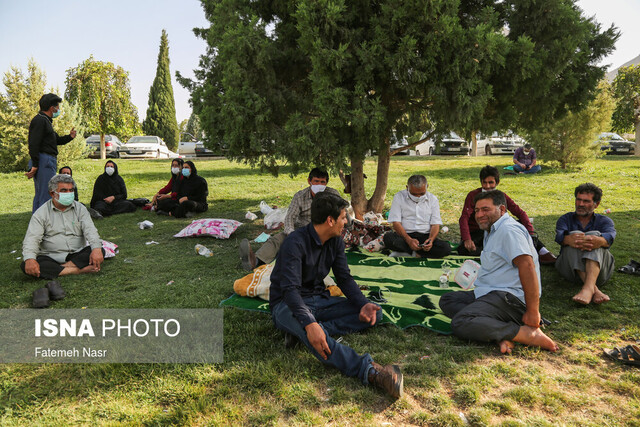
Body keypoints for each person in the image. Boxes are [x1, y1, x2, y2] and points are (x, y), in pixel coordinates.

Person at [269, 192, 403, 398]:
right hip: (287, 305)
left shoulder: (336, 241)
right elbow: (290, 291)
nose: (346, 222)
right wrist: (309, 324)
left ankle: (309, 332)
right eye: (342, 217)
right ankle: (371, 372)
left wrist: (363, 303)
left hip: (319, 300)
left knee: (375, 315)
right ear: (330, 220)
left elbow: (344, 278)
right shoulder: (294, 243)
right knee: (312, 333)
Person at [439, 190, 558, 354]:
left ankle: (525, 333)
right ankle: (501, 334)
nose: (479, 215)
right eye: (477, 210)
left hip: (509, 299)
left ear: (502, 209)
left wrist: (533, 312)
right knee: (448, 300)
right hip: (491, 293)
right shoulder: (492, 229)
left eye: (485, 209)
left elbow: (527, 267)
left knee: (461, 321)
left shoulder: (509, 231)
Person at [239, 167, 340, 271]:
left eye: (322, 182)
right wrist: (291, 234)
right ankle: (255, 261)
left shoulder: (333, 195)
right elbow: (290, 217)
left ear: (326, 183)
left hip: (325, 232)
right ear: (309, 181)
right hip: (303, 230)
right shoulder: (300, 197)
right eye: (316, 181)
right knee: (278, 239)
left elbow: (341, 214)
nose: (319, 185)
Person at [458, 165, 556, 264]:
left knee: (520, 226)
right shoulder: (473, 195)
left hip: (498, 230)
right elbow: (464, 218)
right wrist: (467, 239)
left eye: (491, 182)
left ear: (497, 182)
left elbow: (520, 212)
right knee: (465, 250)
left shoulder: (501, 196)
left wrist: (530, 232)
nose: (487, 186)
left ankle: (542, 251)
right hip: (479, 232)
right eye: (484, 182)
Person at [21, 174, 104, 280]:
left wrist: (96, 249)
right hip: (51, 256)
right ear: (52, 193)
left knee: (100, 249)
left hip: (76, 253)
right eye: (64, 190)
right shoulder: (41, 213)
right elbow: (32, 238)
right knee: (26, 264)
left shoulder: (80, 209)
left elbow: (90, 230)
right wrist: (30, 259)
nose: (69, 193)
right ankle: (79, 270)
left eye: (71, 190)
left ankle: (58, 270)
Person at [555, 183, 616, 305]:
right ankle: (594, 290)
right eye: (578, 200)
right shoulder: (565, 219)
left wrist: (599, 241)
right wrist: (568, 239)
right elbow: (559, 237)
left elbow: (609, 238)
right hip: (571, 271)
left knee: (594, 237)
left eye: (586, 201)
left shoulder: (605, 221)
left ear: (596, 204)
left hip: (600, 273)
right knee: (576, 235)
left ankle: (588, 288)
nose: (581, 204)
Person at [25, 93, 77, 213]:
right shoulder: (40, 120)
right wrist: (35, 164)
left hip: (46, 160)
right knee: (46, 195)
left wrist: (70, 137)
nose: (58, 109)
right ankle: (44, 226)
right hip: (44, 160)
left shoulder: (46, 121)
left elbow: (56, 140)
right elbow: (33, 143)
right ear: (51, 107)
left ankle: (38, 225)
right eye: (57, 106)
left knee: (41, 194)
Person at [382, 175, 451, 258]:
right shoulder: (399, 197)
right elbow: (396, 223)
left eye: (422, 193)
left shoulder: (433, 199)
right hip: (405, 235)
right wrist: (409, 240)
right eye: (414, 194)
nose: (418, 197)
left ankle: (408, 253)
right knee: (388, 238)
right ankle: (418, 254)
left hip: (425, 237)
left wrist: (431, 240)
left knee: (446, 248)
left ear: (427, 187)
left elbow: (435, 224)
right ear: (407, 188)